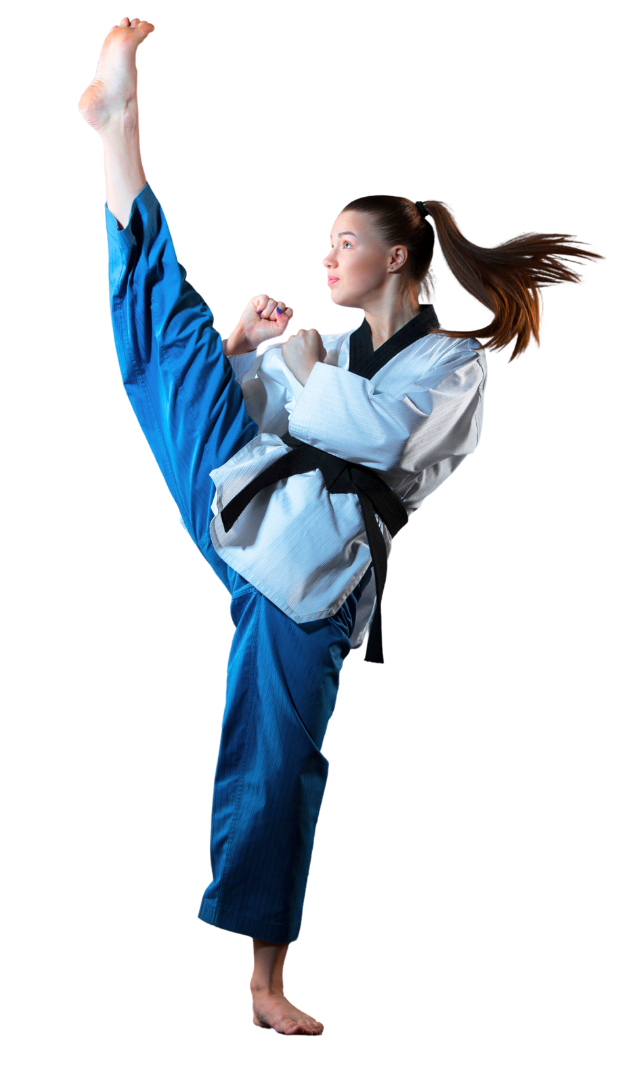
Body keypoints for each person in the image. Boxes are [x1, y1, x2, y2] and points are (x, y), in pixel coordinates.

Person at [79, 16, 606, 1038]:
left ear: (397, 254)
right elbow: (251, 401)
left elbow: (382, 442)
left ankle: (263, 984)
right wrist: (244, 344)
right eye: (326, 244)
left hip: (313, 575)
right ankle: (116, 132)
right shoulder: (319, 347)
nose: (326, 259)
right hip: (241, 500)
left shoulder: (455, 366)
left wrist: (308, 369)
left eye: (343, 243)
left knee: (278, 763)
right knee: (174, 339)